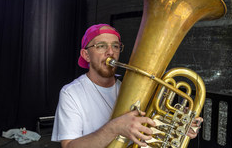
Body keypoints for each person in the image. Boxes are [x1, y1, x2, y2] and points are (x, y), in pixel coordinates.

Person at [51, 24, 203, 148]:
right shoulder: (71, 93)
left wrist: (179, 126)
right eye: (101, 46)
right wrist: (114, 128)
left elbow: (152, 132)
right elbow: (69, 146)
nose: (110, 52)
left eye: (115, 46)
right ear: (86, 55)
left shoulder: (135, 89)